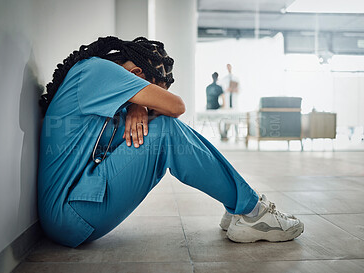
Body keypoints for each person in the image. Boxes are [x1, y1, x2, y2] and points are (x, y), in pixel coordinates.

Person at [38, 36, 304, 248]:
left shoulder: (96, 79)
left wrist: (137, 108)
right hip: (70, 214)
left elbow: (145, 116)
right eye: (151, 90)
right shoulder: (98, 70)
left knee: (159, 125)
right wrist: (141, 104)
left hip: (73, 208)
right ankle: (251, 211)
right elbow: (176, 106)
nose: (149, 100)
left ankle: (237, 204)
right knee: (166, 129)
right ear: (137, 73)